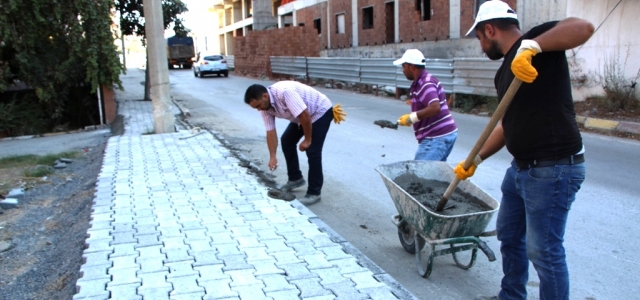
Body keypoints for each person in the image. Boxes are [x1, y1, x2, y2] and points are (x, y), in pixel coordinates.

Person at [454, 1, 594, 300]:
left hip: (552, 168)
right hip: (520, 171)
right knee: (508, 235)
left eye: (479, 38)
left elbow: (584, 27)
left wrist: (532, 46)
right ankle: (512, 295)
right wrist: (475, 159)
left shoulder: (540, 42)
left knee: (544, 251)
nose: (481, 45)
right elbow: (507, 124)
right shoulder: (504, 71)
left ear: (489, 29)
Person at [244, 81, 346, 204]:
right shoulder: (264, 108)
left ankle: (314, 193)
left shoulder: (284, 93)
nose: (259, 109)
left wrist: (307, 140)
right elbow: (270, 131)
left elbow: (304, 115)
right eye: (256, 108)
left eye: (258, 105)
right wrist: (272, 157)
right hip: (302, 116)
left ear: (265, 96)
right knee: (287, 141)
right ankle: (295, 178)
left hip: (319, 111)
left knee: (312, 150)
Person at [393, 49, 458, 161]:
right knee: (433, 173)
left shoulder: (425, 83)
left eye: (404, 66)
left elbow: (435, 107)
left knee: (420, 174)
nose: (403, 70)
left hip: (436, 138)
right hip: (443, 135)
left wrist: (411, 118)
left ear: (412, 67)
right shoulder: (424, 81)